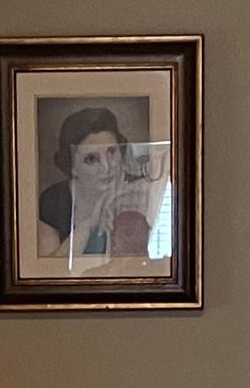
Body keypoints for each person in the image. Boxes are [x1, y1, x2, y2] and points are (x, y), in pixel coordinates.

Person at [34, 103, 158, 266]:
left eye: (112, 152)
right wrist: (87, 225)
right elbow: (48, 270)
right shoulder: (54, 200)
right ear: (72, 167)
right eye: (91, 159)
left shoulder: (142, 189)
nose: (107, 168)